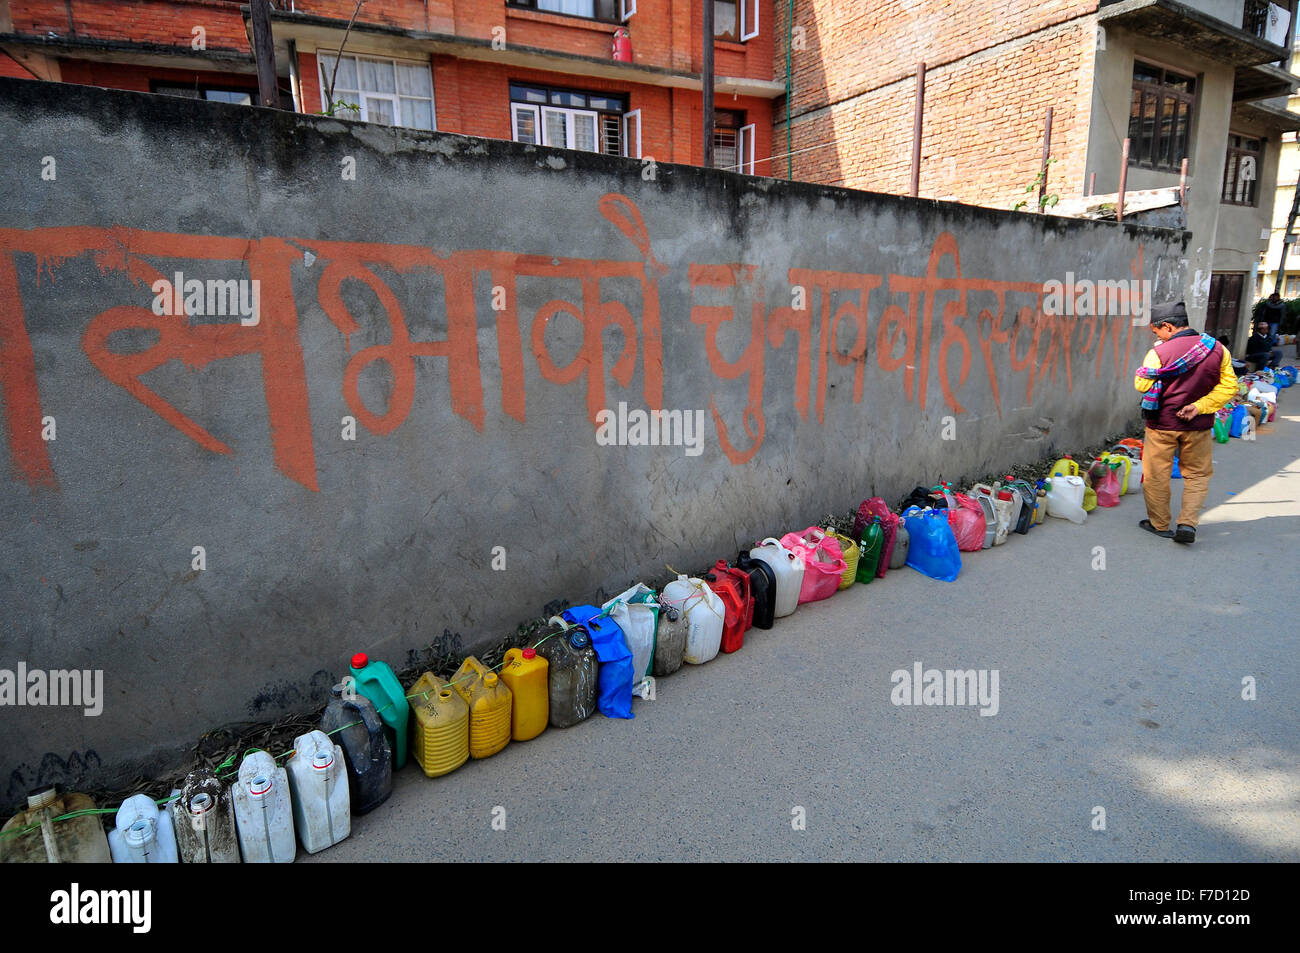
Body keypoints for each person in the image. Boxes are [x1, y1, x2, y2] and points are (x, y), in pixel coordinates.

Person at [1133, 301, 1237, 544]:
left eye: (1156, 331)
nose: (1155, 336)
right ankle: (1187, 523)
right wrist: (1199, 406)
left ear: (1167, 327)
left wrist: (1159, 362)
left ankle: (1159, 525)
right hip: (1198, 425)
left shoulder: (1158, 353)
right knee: (1198, 475)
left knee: (1157, 475)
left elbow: (1142, 384)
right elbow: (1229, 386)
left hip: (1162, 425)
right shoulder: (1218, 349)